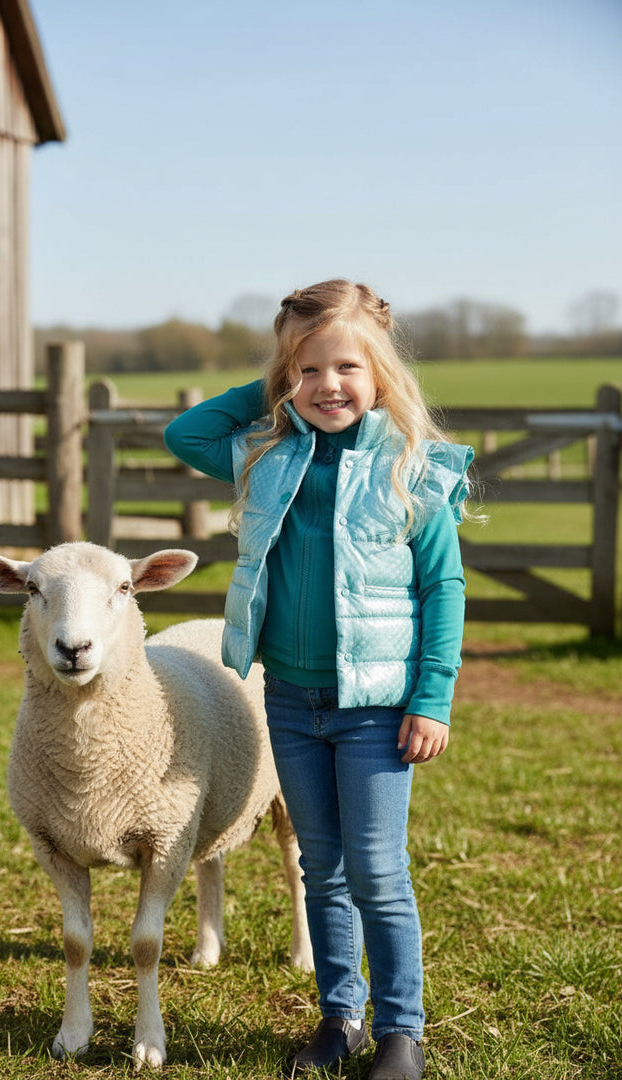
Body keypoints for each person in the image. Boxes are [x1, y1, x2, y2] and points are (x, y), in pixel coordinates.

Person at [164, 279, 474, 1080]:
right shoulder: (268, 457)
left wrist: (431, 697)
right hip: (291, 703)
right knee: (320, 866)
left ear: (378, 374)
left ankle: (401, 1030)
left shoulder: (413, 469)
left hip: (378, 711)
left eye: (345, 367)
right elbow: (186, 431)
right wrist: (277, 376)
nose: (326, 386)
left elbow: (444, 588)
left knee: (377, 868)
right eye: (305, 371)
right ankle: (341, 1018)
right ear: (282, 379)